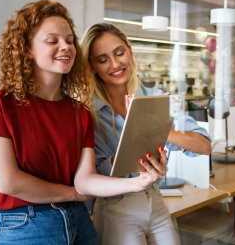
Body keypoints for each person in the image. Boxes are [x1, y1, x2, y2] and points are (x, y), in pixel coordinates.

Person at [0, 0, 166, 245]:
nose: (65, 46)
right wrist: (72, 193)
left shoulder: (80, 112)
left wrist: (139, 181)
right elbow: (9, 182)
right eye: (52, 40)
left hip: (80, 221)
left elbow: (85, 178)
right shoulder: (0, 102)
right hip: (26, 224)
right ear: (27, 49)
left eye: (69, 40)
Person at [79, 22, 211, 245]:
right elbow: (92, 175)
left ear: (129, 51)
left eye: (119, 53)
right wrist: (137, 157)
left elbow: (204, 145)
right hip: (116, 207)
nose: (115, 64)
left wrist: (156, 126)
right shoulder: (88, 112)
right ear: (92, 67)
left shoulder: (154, 97)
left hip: (155, 200)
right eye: (102, 60)